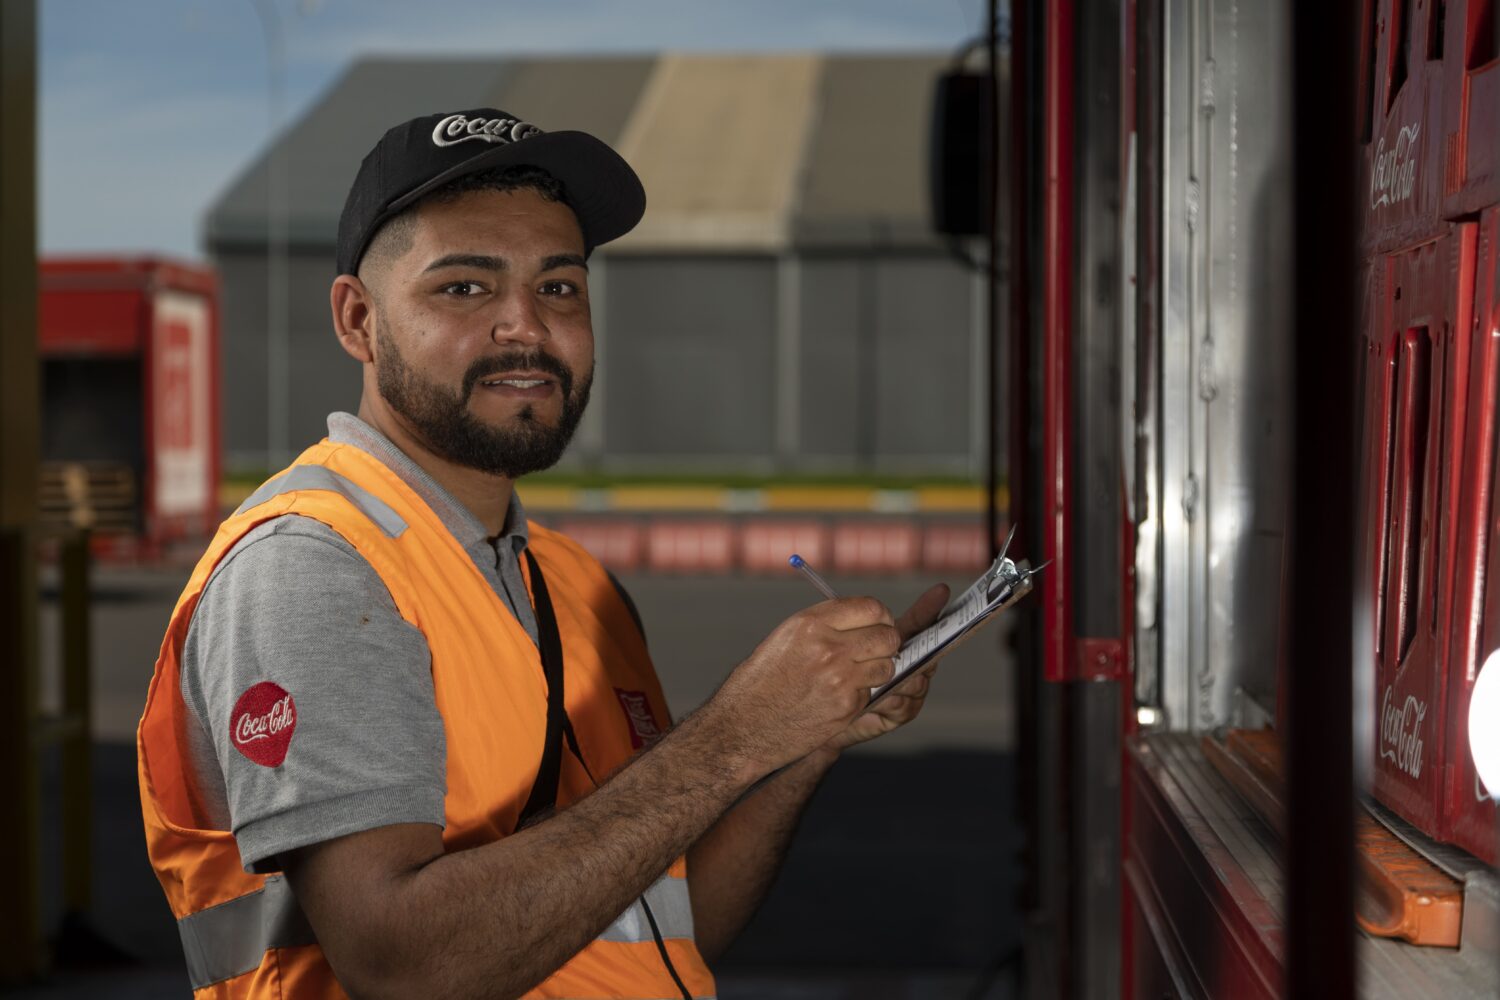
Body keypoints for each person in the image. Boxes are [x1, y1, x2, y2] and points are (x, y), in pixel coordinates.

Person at [138, 107, 950, 999]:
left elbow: (668, 927)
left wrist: (800, 738)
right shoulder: (316, 565)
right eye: (464, 288)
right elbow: (402, 965)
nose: (525, 327)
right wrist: (732, 739)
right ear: (359, 319)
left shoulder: (572, 583)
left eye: (559, 288)